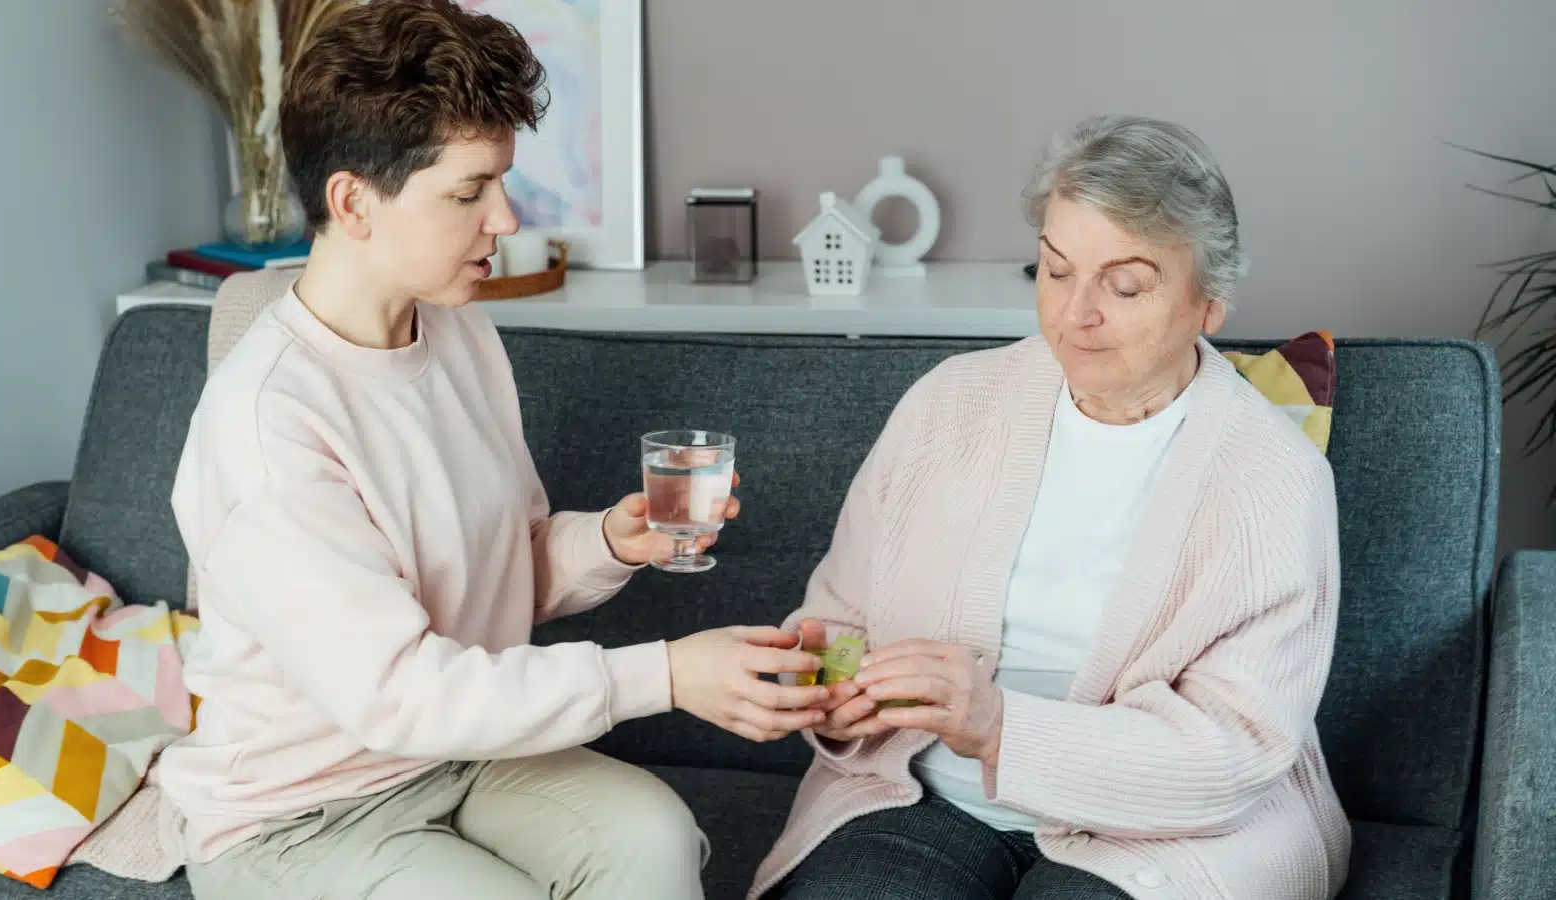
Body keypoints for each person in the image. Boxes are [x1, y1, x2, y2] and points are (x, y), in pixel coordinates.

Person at [152, 3, 830, 898]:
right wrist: (666, 673)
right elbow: (401, 691)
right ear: (353, 201)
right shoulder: (270, 427)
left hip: (460, 754)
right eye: (469, 191)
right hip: (299, 812)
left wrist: (611, 542)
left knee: (654, 836)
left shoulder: (458, 337)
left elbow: (502, 574)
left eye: (502, 183)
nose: (504, 219)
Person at [754, 115, 1352, 900]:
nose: (1076, 315)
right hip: (922, 799)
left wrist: (999, 725)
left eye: (1125, 284)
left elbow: (1230, 754)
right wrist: (833, 694)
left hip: (1165, 832)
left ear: (1211, 303)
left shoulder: (1275, 479)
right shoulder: (946, 407)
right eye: (1055, 270)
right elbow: (841, 621)